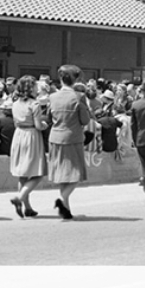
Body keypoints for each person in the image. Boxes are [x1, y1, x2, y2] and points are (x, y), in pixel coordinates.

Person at [46, 65, 92, 220]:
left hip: (55, 137)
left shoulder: (52, 97)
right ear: (76, 79)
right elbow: (85, 120)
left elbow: (48, 119)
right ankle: (63, 199)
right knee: (76, 173)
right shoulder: (79, 97)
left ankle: (66, 206)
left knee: (62, 173)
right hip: (73, 137)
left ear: (60, 79)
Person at [8, 75, 48, 217]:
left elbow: (15, 122)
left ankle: (27, 207)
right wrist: (44, 125)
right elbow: (38, 125)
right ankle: (20, 197)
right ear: (30, 88)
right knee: (38, 172)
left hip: (19, 136)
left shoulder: (15, 103)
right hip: (31, 136)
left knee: (22, 174)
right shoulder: (34, 104)